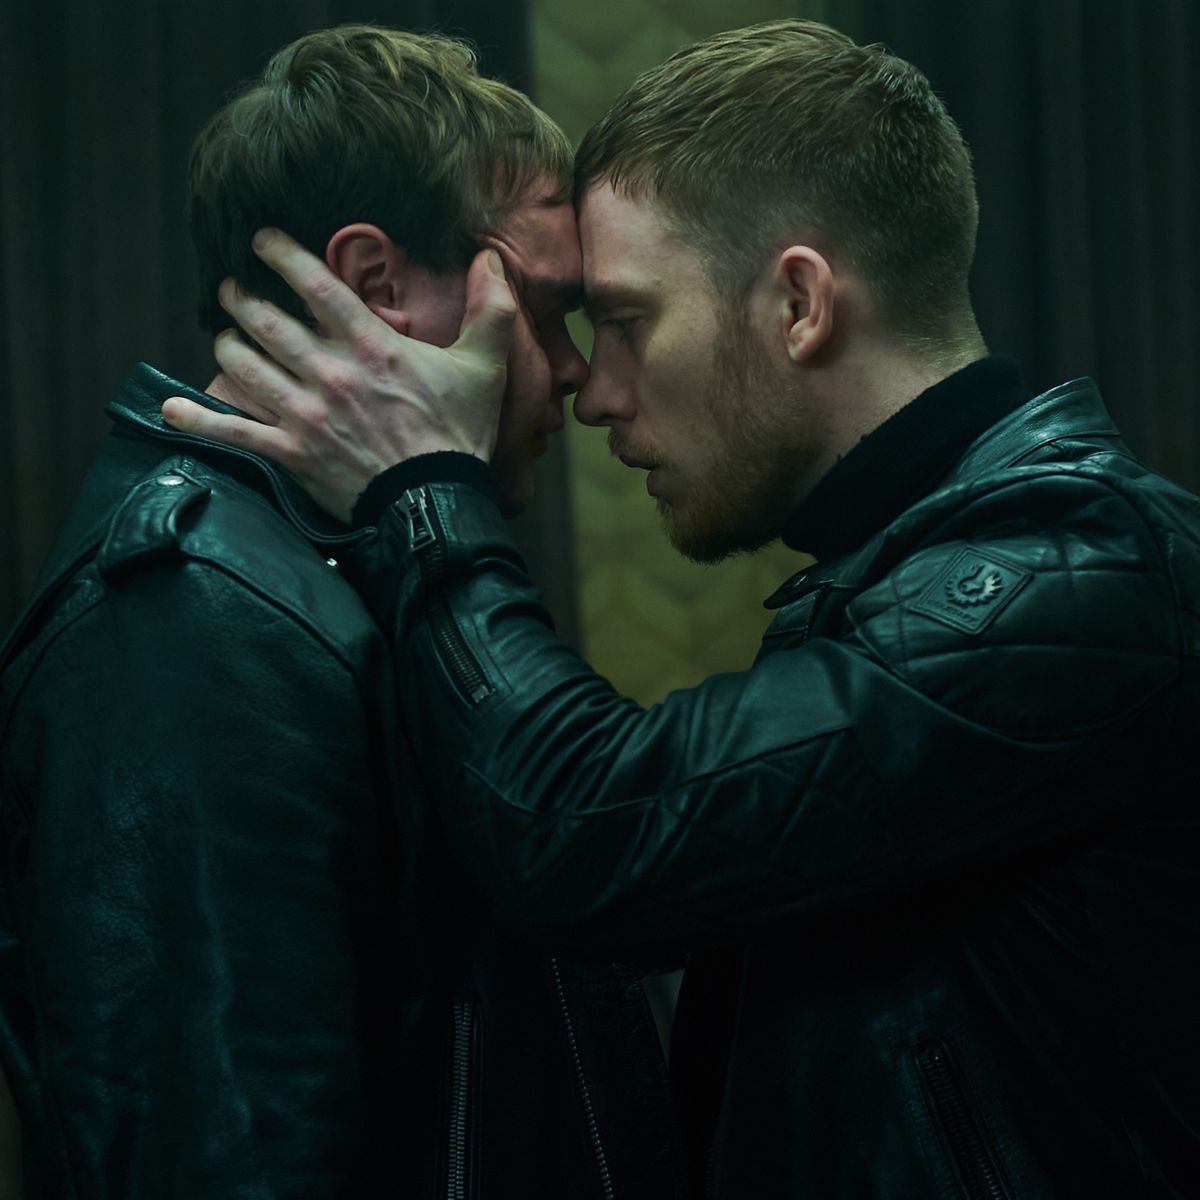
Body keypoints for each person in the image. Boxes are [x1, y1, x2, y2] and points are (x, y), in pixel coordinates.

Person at [166, 16, 1200, 1197]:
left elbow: (588, 832)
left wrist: (421, 488)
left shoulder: (1075, 569)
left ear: (799, 303)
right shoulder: (918, 574)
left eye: (624, 321)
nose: (594, 390)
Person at [0, 25, 683, 1198]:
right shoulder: (192, 620)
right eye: (545, 308)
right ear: (377, 287)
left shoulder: (354, 558)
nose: (575, 373)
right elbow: (230, 1157)